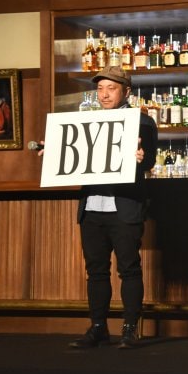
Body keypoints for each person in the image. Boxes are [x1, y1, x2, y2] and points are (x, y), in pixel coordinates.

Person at [65, 66, 158, 349]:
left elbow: (150, 161)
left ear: (126, 91)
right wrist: (56, 151)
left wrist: (141, 158)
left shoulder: (143, 122)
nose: (104, 94)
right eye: (100, 88)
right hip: (92, 206)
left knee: (129, 269)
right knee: (96, 270)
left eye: (111, 88)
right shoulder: (87, 122)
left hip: (124, 206)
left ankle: (130, 328)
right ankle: (98, 327)